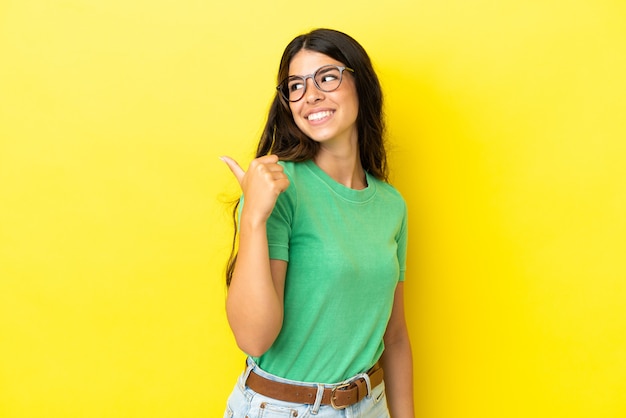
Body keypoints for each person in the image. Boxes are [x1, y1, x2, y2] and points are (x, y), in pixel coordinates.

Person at [220, 28, 414, 417]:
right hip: (282, 408)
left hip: (369, 404)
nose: (310, 95)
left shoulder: (392, 205)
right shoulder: (278, 188)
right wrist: (254, 219)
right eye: (296, 86)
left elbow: (393, 337)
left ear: (362, 84)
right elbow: (254, 338)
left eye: (327, 77)